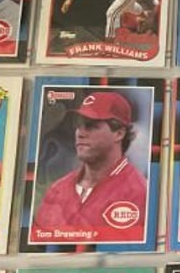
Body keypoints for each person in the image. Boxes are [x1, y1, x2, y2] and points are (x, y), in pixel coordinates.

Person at [31, 91, 147, 236]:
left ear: (119, 133)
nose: (80, 133)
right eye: (78, 125)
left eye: (91, 126)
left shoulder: (138, 192)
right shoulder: (57, 189)